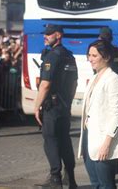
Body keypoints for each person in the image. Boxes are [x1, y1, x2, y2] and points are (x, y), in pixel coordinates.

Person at [34, 24, 78, 188]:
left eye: (49, 34)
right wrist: (68, 102)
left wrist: (36, 106)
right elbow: (74, 83)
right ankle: (71, 178)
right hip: (64, 106)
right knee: (65, 141)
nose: (45, 36)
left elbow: (45, 84)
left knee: (51, 141)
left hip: (52, 107)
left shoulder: (53, 56)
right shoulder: (69, 55)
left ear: (58, 35)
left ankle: (55, 179)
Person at [77, 39, 118, 189]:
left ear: (106, 57)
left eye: (94, 55)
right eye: (89, 55)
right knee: (95, 183)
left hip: (103, 140)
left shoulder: (113, 79)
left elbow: (116, 115)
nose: (90, 59)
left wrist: (106, 144)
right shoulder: (94, 77)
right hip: (89, 137)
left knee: (106, 185)